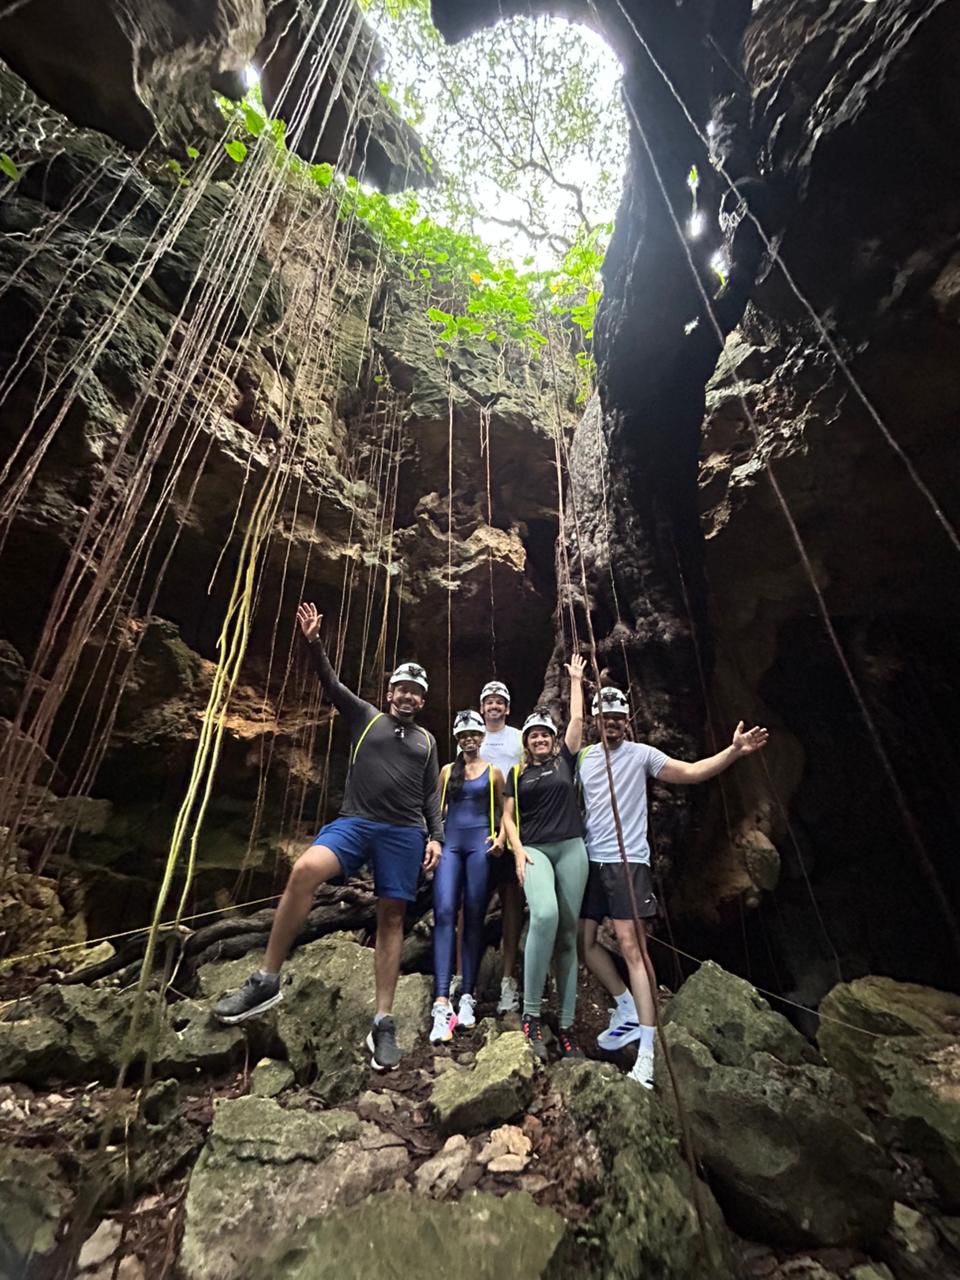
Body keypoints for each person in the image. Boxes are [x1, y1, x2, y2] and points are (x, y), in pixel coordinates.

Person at [213, 602, 443, 1072]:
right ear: (391, 691)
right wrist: (314, 643)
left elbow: (430, 795)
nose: (408, 696)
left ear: (422, 701)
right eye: (402, 688)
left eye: (416, 692)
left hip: (404, 832)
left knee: (392, 917)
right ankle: (266, 979)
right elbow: (331, 684)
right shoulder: (367, 716)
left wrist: (435, 837)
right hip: (356, 821)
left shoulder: (427, 742)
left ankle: (383, 1020)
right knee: (304, 870)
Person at [578, 686, 769, 1089]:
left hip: (628, 863)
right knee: (585, 941)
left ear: (627, 721)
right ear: (596, 721)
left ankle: (647, 1052)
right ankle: (626, 1007)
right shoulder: (585, 757)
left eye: (618, 718)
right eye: (605, 718)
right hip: (593, 862)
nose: (611, 724)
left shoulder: (642, 755)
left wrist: (733, 752)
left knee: (632, 947)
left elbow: (691, 772)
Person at [502, 654, 588, 1061]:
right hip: (535, 849)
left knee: (568, 934)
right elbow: (507, 818)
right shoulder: (517, 775)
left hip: (571, 847)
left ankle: (567, 1025)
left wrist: (576, 680)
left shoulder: (564, 762)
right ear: (526, 742)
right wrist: (518, 851)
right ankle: (531, 1015)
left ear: (553, 740)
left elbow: (577, 721)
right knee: (545, 916)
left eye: (544, 735)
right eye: (533, 735)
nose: (539, 739)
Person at [430, 710, 511, 1043]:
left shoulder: (494, 773)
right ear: (457, 739)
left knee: (475, 913)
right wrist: (432, 840)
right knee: (445, 912)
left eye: (474, 735)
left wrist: (501, 840)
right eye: (464, 736)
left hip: (479, 844)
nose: (469, 740)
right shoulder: (447, 771)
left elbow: (504, 812)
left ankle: (467, 995)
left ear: (482, 737)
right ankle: (441, 1000)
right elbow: (436, 810)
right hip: (451, 844)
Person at [477, 680, 525, 1014]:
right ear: (482, 708)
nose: (494, 706)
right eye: (489, 701)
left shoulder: (519, 738)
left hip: (514, 824)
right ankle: (464, 979)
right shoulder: (471, 736)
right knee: (471, 901)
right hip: (479, 827)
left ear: (507, 708)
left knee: (512, 901)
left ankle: (508, 980)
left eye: (499, 702)